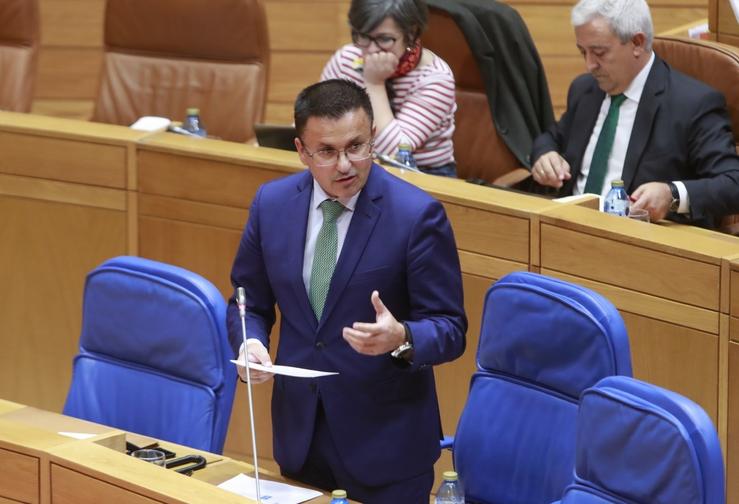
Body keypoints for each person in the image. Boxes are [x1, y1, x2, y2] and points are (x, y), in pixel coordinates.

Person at [226, 79, 467, 503]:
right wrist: (250, 342)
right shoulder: (272, 204)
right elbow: (249, 301)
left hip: (386, 447)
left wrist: (404, 338)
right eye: (327, 152)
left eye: (357, 146)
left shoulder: (416, 216)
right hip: (300, 437)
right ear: (302, 150)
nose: (345, 165)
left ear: (373, 137)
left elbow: (450, 329)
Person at [530, 0, 739, 228]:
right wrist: (545, 154)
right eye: (583, 52)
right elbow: (553, 136)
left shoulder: (693, 104)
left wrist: (672, 194)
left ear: (637, 43)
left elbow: (733, 184)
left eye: (599, 52)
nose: (589, 65)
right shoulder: (585, 89)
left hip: (641, 242)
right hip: (567, 227)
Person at [321, 0, 458, 177]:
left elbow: (395, 154)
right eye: (362, 36)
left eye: (384, 39)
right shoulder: (346, 59)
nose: (371, 50)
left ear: (411, 34)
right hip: (352, 163)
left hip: (423, 175)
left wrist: (374, 83)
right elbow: (318, 119)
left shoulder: (436, 78)